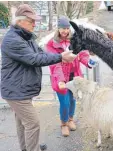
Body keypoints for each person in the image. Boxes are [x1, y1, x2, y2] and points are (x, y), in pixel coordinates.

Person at [0, 4, 77, 151]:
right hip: (16, 91)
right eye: (31, 21)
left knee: (23, 123)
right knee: (33, 123)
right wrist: (61, 57)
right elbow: (34, 59)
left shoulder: (25, 37)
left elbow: (41, 54)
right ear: (20, 21)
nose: (35, 24)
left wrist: (62, 56)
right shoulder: (13, 40)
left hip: (20, 89)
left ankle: (26, 148)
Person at [46, 16, 97, 137]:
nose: (65, 31)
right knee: (65, 103)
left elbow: (82, 53)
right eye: (62, 28)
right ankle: (64, 124)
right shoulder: (51, 44)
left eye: (67, 28)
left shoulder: (74, 40)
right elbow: (54, 64)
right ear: (58, 29)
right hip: (61, 80)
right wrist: (60, 80)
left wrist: (88, 61)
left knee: (73, 101)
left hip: (74, 77)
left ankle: (70, 120)